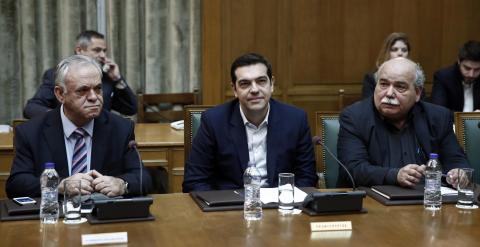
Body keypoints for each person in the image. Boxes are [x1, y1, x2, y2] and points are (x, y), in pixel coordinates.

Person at [7, 55, 151, 198]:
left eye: (98, 88)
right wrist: (58, 186)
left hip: (103, 214)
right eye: (83, 90)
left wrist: (122, 184)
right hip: (56, 215)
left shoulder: (121, 128)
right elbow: (16, 184)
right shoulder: (30, 132)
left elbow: (143, 178)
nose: (94, 97)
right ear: (60, 94)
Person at [182, 53, 318, 192]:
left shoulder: (295, 119)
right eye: (245, 84)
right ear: (234, 89)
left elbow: (307, 178)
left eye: (261, 81)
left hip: (281, 206)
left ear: (271, 84)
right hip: (229, 207)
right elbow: (195, 180)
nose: (254, 90)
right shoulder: (214, 121)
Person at [337, 57, 469, 188]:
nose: (389, 93)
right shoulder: (354, 117)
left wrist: (459, 173)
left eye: (400, 87)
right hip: (371, 200)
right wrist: (395, 175)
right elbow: (353, 169)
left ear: (417, 93)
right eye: (383, 84)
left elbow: (456, 160)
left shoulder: (438, 117)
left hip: (427, 200)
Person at [23, 30, 137, 119]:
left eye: (104, 51)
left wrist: (117, 79)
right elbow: (31, 108)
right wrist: (61, 118)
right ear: (79, 50)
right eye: (97, 50)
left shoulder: (106, 77)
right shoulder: (58, 74)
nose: (103, 55)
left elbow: (131, 109)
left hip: (100, 135)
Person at [431, 40, 480, 112]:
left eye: (477, 69)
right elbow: (439, 111)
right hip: (452, 122)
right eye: (467, 68)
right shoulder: (443, 77)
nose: (471, 74)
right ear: (459, 62)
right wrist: (470, 117)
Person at [362, 33, 412, 98]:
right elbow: (368, 103)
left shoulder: (415, 77)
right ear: (387, 53)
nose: (400, 53)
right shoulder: (371, 78)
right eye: (394, 49)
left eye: (404, 50)